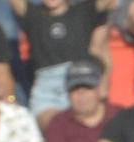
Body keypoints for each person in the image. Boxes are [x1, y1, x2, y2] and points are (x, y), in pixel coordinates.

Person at [15, 0, 109, 128]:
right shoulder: (33, 15)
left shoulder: (83, 11)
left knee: (85, 127)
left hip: (80, 80)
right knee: (56, 128)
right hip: (47, 89)